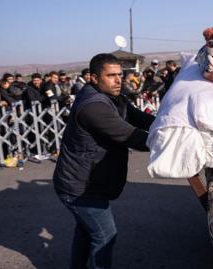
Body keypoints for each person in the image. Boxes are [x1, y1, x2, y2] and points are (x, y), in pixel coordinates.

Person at [53, 53, 155, 269]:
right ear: (93, 78)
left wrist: (167, 124)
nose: (119, 80)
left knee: (86, 232)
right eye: (111, 76)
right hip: (81, 188)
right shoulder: (94, 106)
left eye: (120, 75)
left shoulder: (114, 97)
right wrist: (176, 142)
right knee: (105, 236)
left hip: (88, 182)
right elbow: (132, 136)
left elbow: (138, 117)